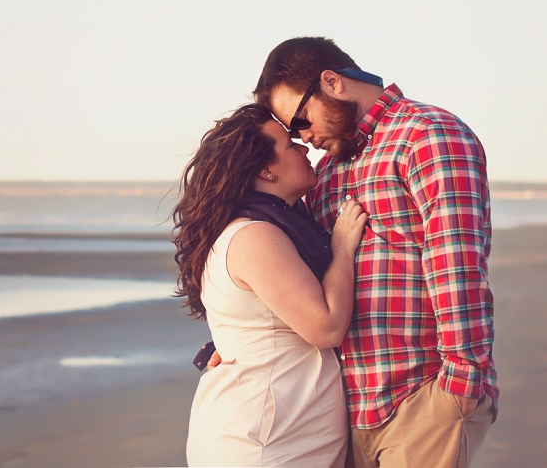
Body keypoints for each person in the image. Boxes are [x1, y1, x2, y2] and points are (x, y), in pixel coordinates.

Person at [232, 36, 497, 468]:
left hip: (421, 399)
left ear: (332, 83)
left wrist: (461, 383)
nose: (303, 138)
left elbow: (456, 263)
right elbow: (296, 277)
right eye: (291, 132)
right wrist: (236, 337)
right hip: (345, 410)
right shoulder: (328, 171)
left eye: (300, 121)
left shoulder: (427, 135)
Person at [174, 103, 368, 467]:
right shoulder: (255, 235)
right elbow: (325, 327)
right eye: (290, 146)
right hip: (264, 443)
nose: (305, 149)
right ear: (266, 169)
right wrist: (342, 248)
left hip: (278, 432)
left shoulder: (263, 228)